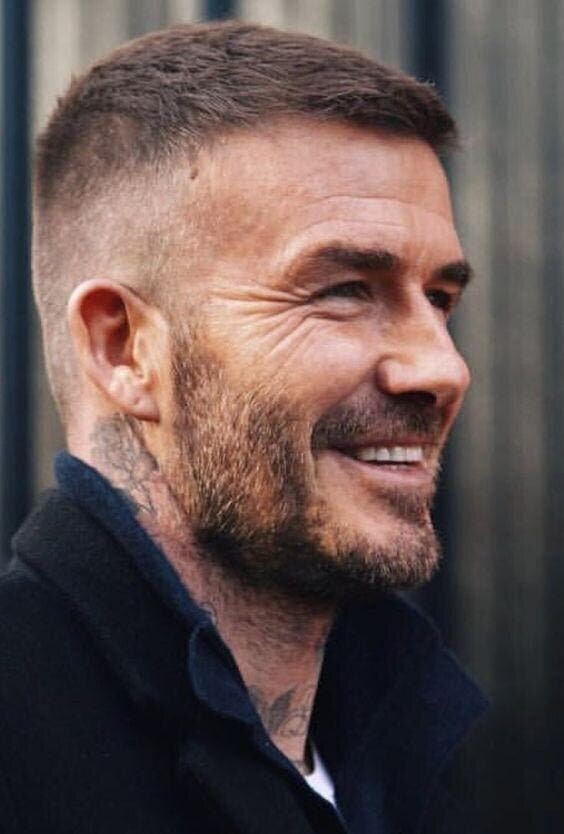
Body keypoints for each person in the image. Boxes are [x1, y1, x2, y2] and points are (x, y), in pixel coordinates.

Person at [0, 20, 487, 834]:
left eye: (439, 299)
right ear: (123, 347)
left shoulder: (407, 748)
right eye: (344, 289)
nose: (442, 368)